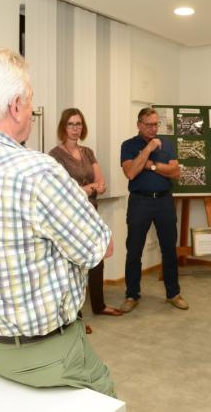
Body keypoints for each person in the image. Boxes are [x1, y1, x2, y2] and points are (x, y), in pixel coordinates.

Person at [0, 46, 117, 397]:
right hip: (45, 355)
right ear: (15, 105)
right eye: (30, 102)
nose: (32, 111)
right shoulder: (37, 171)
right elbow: (100, 248)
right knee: (105, 393)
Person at [49, 108, 123, 334]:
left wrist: (97, 187)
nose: (75, 128)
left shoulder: (88, 152)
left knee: (97, 258)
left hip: (90, 212)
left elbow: (100, 182)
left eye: (79, 124)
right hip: (70, 216)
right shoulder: (55, 155)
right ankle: (75, 317)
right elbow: (62, 190)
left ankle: (99, 305)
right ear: (63, 127)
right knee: (74, 266)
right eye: (71, 124)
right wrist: (89, 188)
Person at [119, 107, 188, 312]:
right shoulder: (129, 145)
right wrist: (148, 149)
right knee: (134, 250)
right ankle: (132, 295)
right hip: (140, 202)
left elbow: (175, 172)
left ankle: (173, 293)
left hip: (165, 202)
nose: (153, 128)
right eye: (149, 124)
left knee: (169, 249)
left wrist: (152, 166)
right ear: (139, 124)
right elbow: (131, 172)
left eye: (156, 124)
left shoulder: (167, 144)